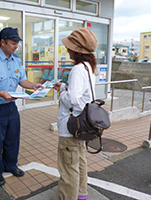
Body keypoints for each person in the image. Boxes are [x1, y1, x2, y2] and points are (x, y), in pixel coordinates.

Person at [0, 27, 43, 186]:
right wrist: (2, 94)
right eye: (13, 43)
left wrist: (32, 85)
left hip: (10, 107)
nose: (16, 46)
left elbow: (22, 80)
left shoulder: (17, 60)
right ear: (3, 42)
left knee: (12, 139)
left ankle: (11, 165)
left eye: (17, 43)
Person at [52, 27, 98, 200]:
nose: (67, 49)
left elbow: (71, 100)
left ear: (77, 49)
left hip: (70, 126)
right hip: (82, 123)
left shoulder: (77, 69)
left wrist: (61, 93)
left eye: (69, 46)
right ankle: (81, 194)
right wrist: (64, 87)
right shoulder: (88, 67)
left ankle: (67, 197)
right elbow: (80, 95)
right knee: (79, 162)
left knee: (67, 168)